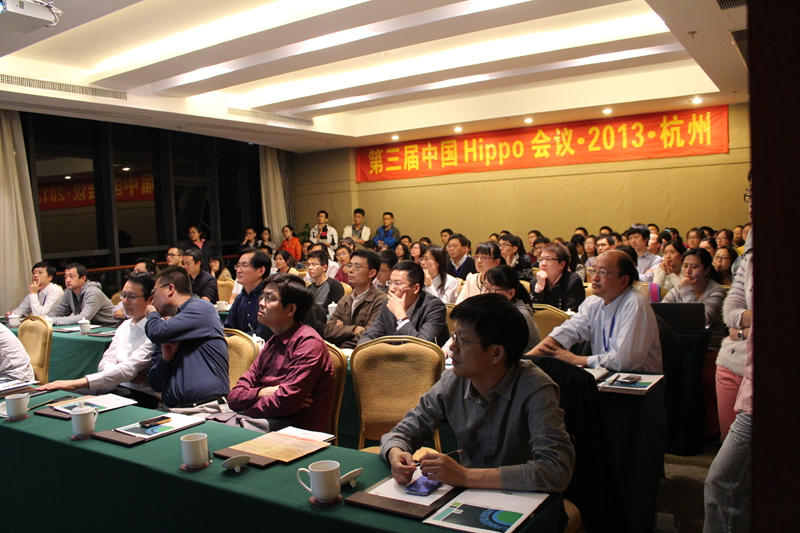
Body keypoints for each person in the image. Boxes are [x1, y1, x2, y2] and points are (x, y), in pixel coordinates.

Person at [381, 294, 574, 493]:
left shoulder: (535, 389)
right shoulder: (453, 381)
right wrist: (396, 454)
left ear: (496, 353)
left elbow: (555, 470)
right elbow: (402, 432)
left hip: (524, 499)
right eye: (454, 337)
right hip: (469, 494)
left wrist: (465, 476)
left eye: (462, 340)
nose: (452, 348)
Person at [227, 273, 335, 432]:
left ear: (290, 309)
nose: (261, 303)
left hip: (291, 432)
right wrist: (262, 392)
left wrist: (246, 407)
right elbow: (234, 397)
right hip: (260, 422)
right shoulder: (273, 342)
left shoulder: (308, 343)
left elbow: (284, 404)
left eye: (269, 298)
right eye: (262, 297)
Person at [38, 273, 160, 408]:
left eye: (132, 297)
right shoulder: (125, 325)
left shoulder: (155, 329)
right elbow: (105, 362)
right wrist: (119, 373)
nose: (125, 302)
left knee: (79, 404)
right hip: (113, 386)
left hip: (141, 395)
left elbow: (129, 369)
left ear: (151, 299)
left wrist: (75, 383)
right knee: (59, 397)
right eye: (124, 296)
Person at [528, 250, 662, 372]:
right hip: (604, 375)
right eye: (593, 271)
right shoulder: (593, 302)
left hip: (639, 381)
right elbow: (566, 332)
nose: (595, 278)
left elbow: (624, 361)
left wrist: (575, 359)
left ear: (624, 281)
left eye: (602, 273)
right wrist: (526, 360)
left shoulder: (635, 304)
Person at [145, 266, 229, 409]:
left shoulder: (201, 308)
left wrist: (152, 314)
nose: (151, 301)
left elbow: (155, 332)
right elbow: (155, 384)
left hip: (206, 408)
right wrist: (165, 359)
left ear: (170, 289)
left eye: (154, 292)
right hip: (171, 410)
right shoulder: (167, 326)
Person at [358, 261, 449, 347]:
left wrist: (401, 317)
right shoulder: (388, 303)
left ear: (415, 288)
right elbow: (369, 336)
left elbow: (422, 347)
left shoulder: (434, 307)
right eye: (390, 283)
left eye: (397, 283)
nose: (391, 289)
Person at [324, 249, 387, 349]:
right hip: (342, 352)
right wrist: (354, 329)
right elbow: (328, 331)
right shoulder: (345, 300)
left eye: (357, 267)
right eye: (350, 265)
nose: (350, 270)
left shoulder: (381, 300)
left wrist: (342, 331)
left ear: (371, 273)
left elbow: (370, 336)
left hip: (363, 353)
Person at [485, 266, 541, 352]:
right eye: (486, 288)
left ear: (511, 293)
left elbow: (505, 351)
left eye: (491, 289)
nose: (486, 293)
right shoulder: (496, 309)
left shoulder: (520, 315)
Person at [225, 249, 274, 341]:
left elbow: (262, 336)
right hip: (240, 346)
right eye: (238, 265)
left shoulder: (270, 298)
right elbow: (229, 329)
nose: (238, 270)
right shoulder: (240, 297)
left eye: (244, 266)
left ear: (261, 271)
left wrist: (236, 339)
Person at [48, 263, 116, 326]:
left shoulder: (93, 292)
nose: (67, 280)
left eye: (71, 276)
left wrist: (52, 320)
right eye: (66, 277)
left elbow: (83, 318)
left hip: (109, 327)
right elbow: (59, 312)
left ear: (83, 278)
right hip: (90, 327)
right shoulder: (69, 292)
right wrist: (45, 318)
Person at [531, 242, 585, 312]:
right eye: (541, 259)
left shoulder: (573, 281)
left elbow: (572, 312)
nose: (543, 264)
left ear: (562, 264)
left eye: (548, 259)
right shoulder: (535, 282)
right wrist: (539, 290)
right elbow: (532, 312)